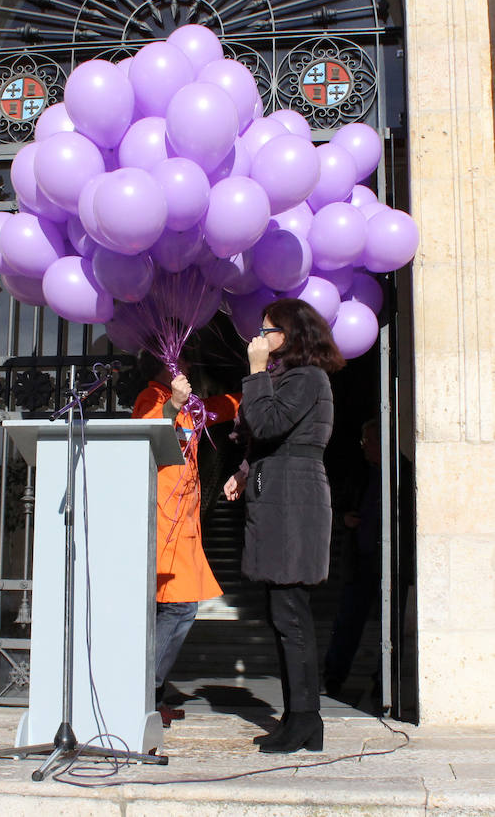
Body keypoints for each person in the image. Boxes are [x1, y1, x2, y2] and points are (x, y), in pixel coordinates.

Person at [224, 299, 345, 753]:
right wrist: (244, 472)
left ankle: (306, 719)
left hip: (294, 499)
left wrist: (256, 371)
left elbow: (269, 422)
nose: (260, 337)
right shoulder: (291, 377)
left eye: (268, 330)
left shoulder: (307, 376)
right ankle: (298, 717)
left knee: (291, 612)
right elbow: (266, 436)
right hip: (278, 493)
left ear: (290, 334)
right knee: (283, 612)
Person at [131, 349, 240, 726]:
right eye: (183, 361)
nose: (191, 366)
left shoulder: (189, 406)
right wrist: (172, 404)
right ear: (165, 366)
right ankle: (143, 693)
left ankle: (150, 695)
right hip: (164, 523)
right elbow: (145, 439)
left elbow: (218, 408)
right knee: (179, 608)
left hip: (182, 525)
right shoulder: (152, 398)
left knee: (174, 609)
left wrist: (257, 387)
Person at [323, 418, 381, 700]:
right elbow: (339, 505)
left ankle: (384, 682)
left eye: (368, 441)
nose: (364, 447)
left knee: (389, 628)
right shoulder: (358, 472)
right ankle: (334, 678)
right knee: (347, 622)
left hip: (388, 563)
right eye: (363, 441)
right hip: (360, 560)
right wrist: (345, 518)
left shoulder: (402, 471)